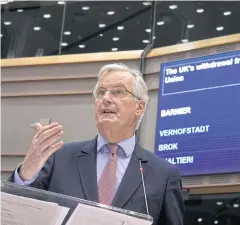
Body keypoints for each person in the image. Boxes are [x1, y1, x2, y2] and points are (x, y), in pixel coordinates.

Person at [9, 63, 184, 225]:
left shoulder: (164, 175)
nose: (106, 98)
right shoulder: (59, 158)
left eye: (118, 92)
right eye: (101, 92)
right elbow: (14, 212)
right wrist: (26, 172)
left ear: (139, 107)